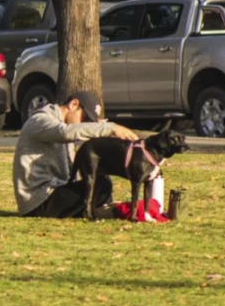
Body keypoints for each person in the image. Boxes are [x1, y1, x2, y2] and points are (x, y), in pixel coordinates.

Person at [13, 91, 139, 219]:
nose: (83, 124)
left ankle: (104, 209)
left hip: (55, 192)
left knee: (100, 179)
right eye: (84, 119)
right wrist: (111, 128)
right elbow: (65, 133)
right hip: (37, 201)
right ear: (73, 104)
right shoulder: (40, 120)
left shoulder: (63, 125)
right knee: (102, 185)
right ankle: (102, 211)